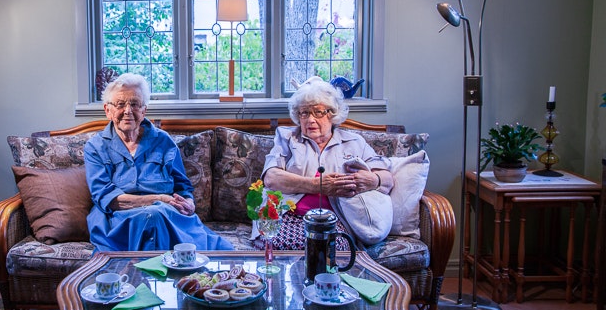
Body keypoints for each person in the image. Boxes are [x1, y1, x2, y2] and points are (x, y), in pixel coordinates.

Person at [84, 73, 234, 252]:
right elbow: (107, 198)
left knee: (225, 251)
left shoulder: (163, 141)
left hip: (168, 216)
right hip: (119, 221)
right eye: (120, 104)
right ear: (107, 110)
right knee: (153, 215)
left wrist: (188, 203)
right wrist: (159, 199)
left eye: (134, 104)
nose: (128, 111)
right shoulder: (95, 147)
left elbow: (182, 186)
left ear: (144, 110)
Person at [260, 76, 394, 251]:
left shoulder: (354, 142)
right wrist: (318, 185)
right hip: (289, 216)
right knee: (287, 244)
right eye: (304, 113)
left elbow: (388, 178)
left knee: (334, 246)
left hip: (336, 219)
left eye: (318, 112)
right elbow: (271, 178)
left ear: (332, 114)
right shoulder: (287, 138)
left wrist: (373, 180)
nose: (310, 120)